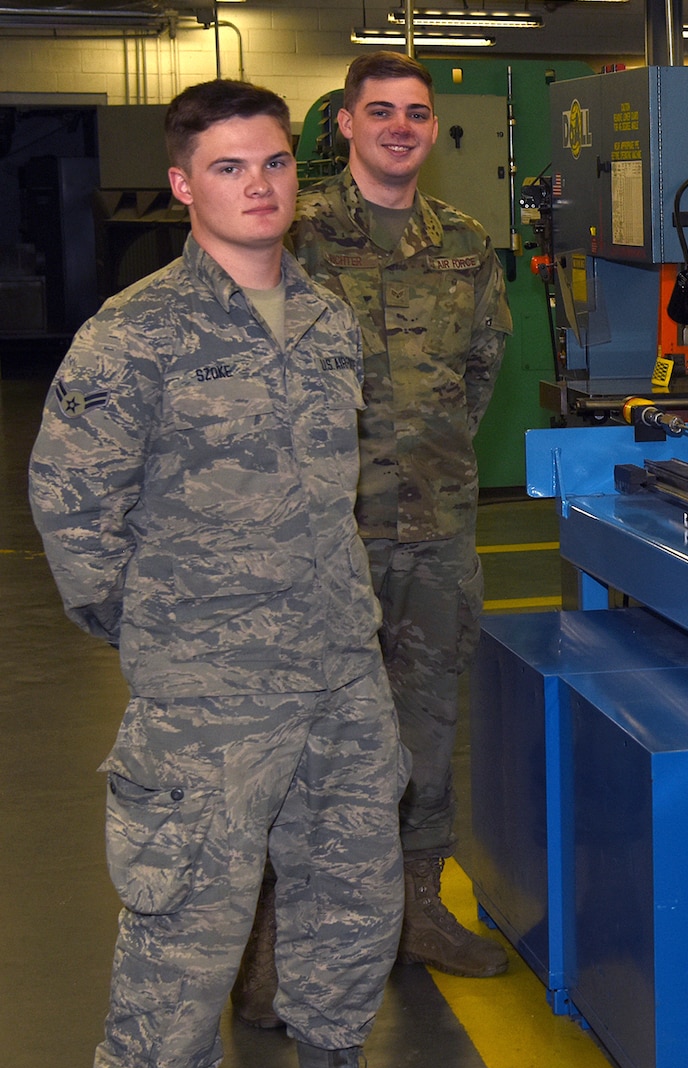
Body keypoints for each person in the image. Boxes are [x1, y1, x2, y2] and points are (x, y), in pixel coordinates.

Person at [29, 79, 469, 1068]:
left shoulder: (326, 322)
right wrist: (156, 630)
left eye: (273, 161)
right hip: (209, 688)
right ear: (182, 185)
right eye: (228, 167)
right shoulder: (134, 334)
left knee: (349, 886)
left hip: (336, 665)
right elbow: (70, 508)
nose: (259, 185)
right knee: (186, 921)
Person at [238, 51, 513, 1010]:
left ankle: (419, 912)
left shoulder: (468, 245)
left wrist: (415, 463)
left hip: (434, 530)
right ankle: (276, 943)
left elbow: (479, 375)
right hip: (320, 539)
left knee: (425, 731)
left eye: (418, 113)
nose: (401, 126)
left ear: (434, 130)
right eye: (380, 111)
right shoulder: (291, 232)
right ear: (345, 123)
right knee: (301, 737)